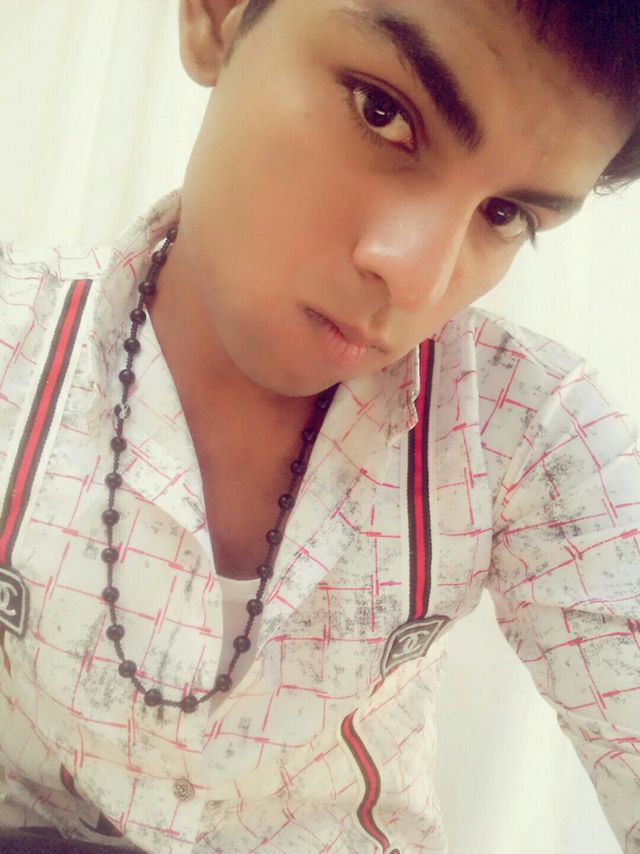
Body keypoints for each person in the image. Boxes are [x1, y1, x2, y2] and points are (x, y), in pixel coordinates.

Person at [0, 0, 639, 851]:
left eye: (503, 215)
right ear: (218, 17)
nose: (416, 278)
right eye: (383, 112)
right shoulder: (16, 341)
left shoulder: (528, 431)